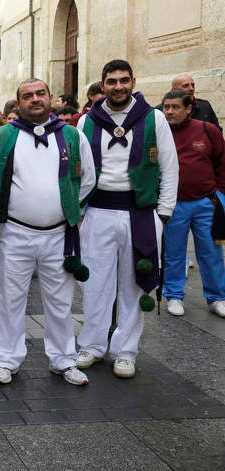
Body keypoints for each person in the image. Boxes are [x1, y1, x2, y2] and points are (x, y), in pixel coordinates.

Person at [0, 78, 96, 386]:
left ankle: (63, 360)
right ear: (18, 103)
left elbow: (87, 178)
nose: (35, 99)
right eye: (27, 96)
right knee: (10, 299)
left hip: (59, 235)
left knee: (60, 302)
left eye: (40, 94)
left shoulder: (72, 135)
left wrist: (74, 210)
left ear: (50, 98)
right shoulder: (1, 137)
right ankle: (6, 361)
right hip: (15, 233)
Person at [75, 59, 178, 379]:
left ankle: (125, 351)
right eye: (111, 81)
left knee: (134, 284)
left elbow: (169, 167)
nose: (117, 86)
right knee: (95, 283)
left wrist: (163, 213)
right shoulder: (87, 122)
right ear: (102, 85)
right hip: (98, 210)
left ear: (133, 81)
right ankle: (92, 346)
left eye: (123, 80)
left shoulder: (153, 118)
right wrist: (78, 213)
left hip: (140, 212)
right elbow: (77, 171)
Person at [161, 90, 225, 317]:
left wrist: (220, 197)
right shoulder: (160, 132)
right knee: (174, 253)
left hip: (205, 203)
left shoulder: (208, 130)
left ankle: (217, 298)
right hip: (173, 205)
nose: (169, 111)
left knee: (211, 252)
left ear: (189, 108)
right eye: (166, 106)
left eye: (175, 107)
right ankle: (174, 295)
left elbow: (221, 163)